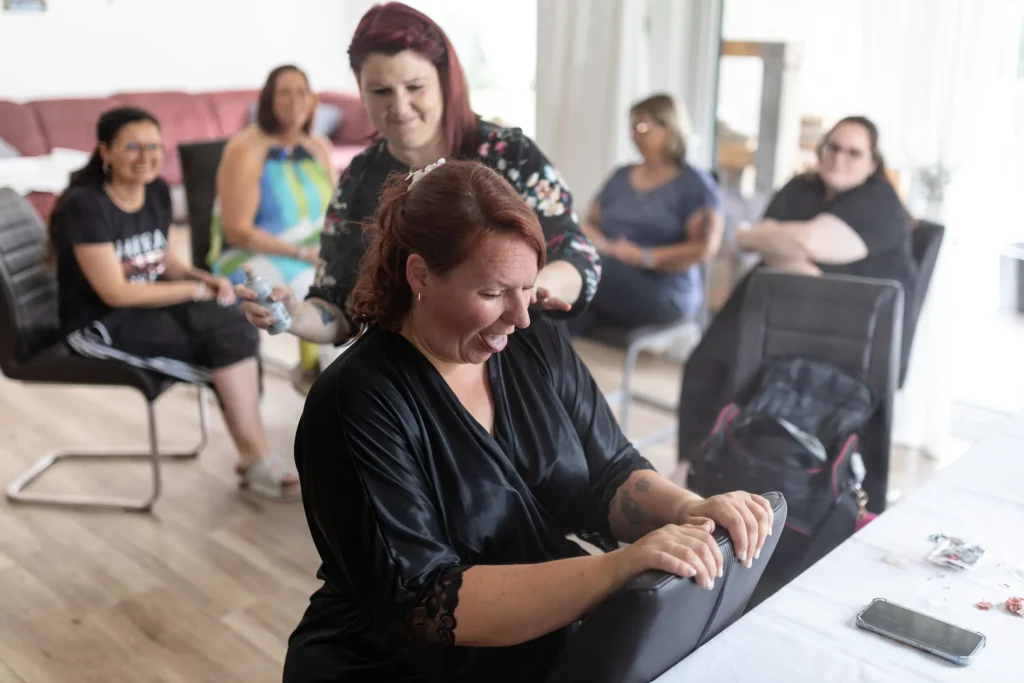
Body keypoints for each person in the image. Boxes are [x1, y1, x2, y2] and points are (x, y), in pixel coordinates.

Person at [282, 159, 774, 682]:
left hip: (536, 652)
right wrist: (616, 568)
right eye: (493, 293)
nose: (519, 316)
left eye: (526, 287)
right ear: (420, 275)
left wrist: (692, 511)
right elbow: (427, 602)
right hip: (391, 666)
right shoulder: (357, 402)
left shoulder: (531, 342)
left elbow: (610, 472)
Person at [237, 2, 600, 366]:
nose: (400, 106)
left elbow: (578, 257)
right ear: (360, 90)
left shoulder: (510, 155)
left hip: (512, 352)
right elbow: (339, 304)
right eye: (380, 91)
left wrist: (525, 289)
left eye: (415, 87)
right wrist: (293, 315)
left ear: (444, 80)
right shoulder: (360, 176)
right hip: (407, 373)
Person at [47, 106, 299, 500]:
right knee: (222, 348)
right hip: (98, 325)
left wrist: (203, 279)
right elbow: (116, 292)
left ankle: (254, 455)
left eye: (154, 147)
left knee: (231, 322)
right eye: (133, 147)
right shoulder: (86, 205)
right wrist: (192, 291)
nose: (146, 157)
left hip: (146, 306)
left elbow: (163, 260)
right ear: (105, 151)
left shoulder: (158, 190)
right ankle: (256, 455)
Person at [671, 115, 917, 485]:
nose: (840, 158)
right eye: (832, 147)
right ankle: (699, 469)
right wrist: (799, 261)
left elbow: (801, 241)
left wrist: (777, 242)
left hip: (853, 335)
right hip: (791, 309)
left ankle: (753, 478)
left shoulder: (879, 202)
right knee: (707, 363)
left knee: (755, 377)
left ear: (872, 163)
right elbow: (749, 241)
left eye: (854, 152)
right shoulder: (802, 187)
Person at [211, 65, 336, 387]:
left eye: (302, 92)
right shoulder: (247, 148)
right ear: (267, 100)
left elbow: (338, 211)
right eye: (284, 92)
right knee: (317, 284)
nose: (294, 101)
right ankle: (320, 376)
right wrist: (302, 252)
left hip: (313, 253)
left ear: (312, 101)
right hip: (250, 257)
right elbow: (237, 230)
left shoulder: (319, 146)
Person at [570, 94, 724, 337]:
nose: (634, 134)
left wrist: (642, 257)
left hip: (664, 289)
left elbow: (704, 249)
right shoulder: (621, 175)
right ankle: (551, 372)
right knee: (558, 310)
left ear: (669, 128)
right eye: (631, 127)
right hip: (610, 272)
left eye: (642, 126)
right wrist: (604, 245)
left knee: (581, 274)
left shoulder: (694, 184)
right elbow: (590, 223)